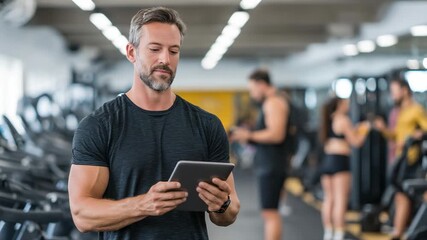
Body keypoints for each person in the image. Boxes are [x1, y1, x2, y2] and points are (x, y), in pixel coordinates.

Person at [68, 7, 240, 240]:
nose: (165, 60)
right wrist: (144, 205)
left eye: (173, 51)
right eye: (155, 49)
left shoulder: (207, 125)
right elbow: (82, 215)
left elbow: (229, 213)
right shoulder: (99, 126)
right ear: (131, 52)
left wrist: (221, 205)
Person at [231, 69, 289, 240]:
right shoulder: (272, 102)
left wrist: (248, 135)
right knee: (270, 213)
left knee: (270, 214)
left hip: (272, 165)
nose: (252, 93)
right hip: (270, 163)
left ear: (262, 84)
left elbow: (277, 134)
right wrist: (249, 137)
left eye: (253, 89)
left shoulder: (273, 102)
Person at [374, 78, 427, 240]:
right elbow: (395, 137)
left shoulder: (416, 110)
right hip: (399, 159)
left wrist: (416, 135)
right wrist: (384, 130)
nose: (392, 95)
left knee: (404, 194)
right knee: (399, 195)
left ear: (404, 90)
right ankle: (399, 231)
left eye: (394, 91)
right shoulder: (400, 112)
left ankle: (399, 232)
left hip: (412, 161)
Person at [319, 96, 370, 240]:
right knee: (340, 199)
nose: (347, 105)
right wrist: (364, 130)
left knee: (329, 199)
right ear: (339, 105)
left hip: (327, 160)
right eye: (345, 103)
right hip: (340, 161)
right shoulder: (343, 120)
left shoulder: (327, 120)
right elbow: (355, 142)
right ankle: (339, 233)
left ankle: (328, 232)